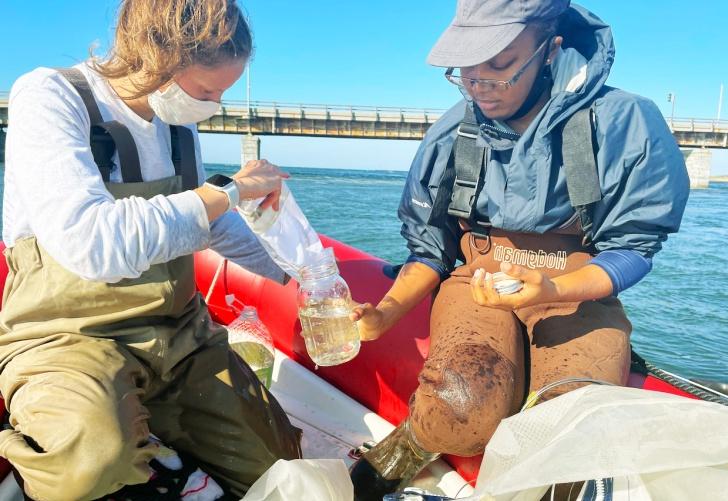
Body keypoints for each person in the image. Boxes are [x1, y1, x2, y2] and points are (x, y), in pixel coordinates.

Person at [349, 0, 690, 499]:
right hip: (477, 283)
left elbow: (633, 248)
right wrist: (383, 315)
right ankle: (403, 450)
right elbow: (429, 251)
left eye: (500, 65)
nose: (478, 84)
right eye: (466, 70)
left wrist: (553, 287)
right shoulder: (451, 134)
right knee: (460, 403)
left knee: (573, 433)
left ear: (550, 48)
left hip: (576, 288)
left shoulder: (625, 121)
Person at [0, 1, 302, 499]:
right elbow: (91, 243)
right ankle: (53, 449)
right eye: (207, 90)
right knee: (90, 461)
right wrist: (227, 191)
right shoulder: (50, 95)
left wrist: (301, 275)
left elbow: (212, 227)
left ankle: (157, 446)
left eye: (222, 93)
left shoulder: (177, 121)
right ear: (153, 58)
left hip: (179, 334)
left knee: (281, 469)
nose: (214, 104)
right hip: (68, 336)